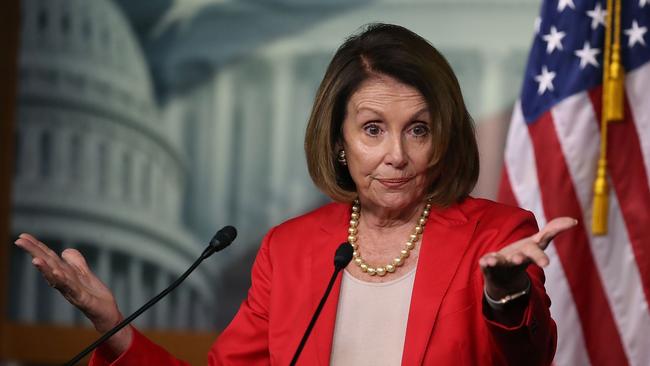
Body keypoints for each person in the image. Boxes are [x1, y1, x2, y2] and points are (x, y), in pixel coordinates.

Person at [14, 23, 576, 365]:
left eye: (419, 129)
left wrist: (506, 298)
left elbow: (530, 358)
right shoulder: (291, 251)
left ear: (443, 137)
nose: (397, 155)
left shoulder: (497, 235)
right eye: (373, 129)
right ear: (340, 142)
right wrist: (113, 329)